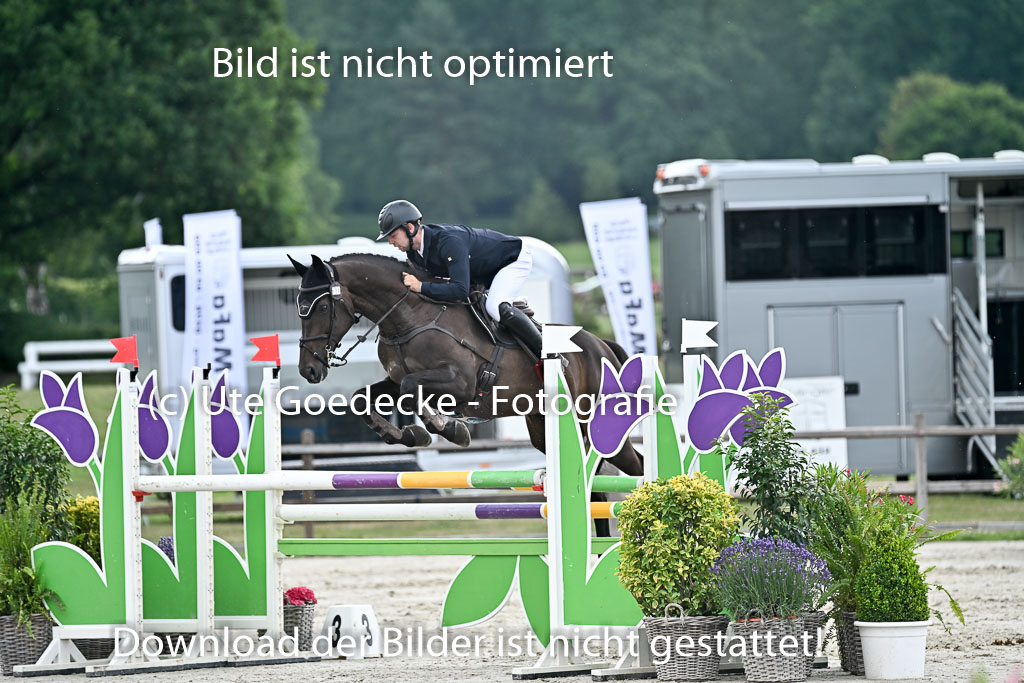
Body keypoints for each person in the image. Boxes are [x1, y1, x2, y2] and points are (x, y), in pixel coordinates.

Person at [376, 199, 544, 358]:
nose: (390, 242)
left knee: (495, 307)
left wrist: (421, 287)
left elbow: (460, 290)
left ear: (410, 228)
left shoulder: (449, 242)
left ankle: (545, 351)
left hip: (512, 260)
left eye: (393, 235)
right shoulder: (414, 253)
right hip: (483, 272)